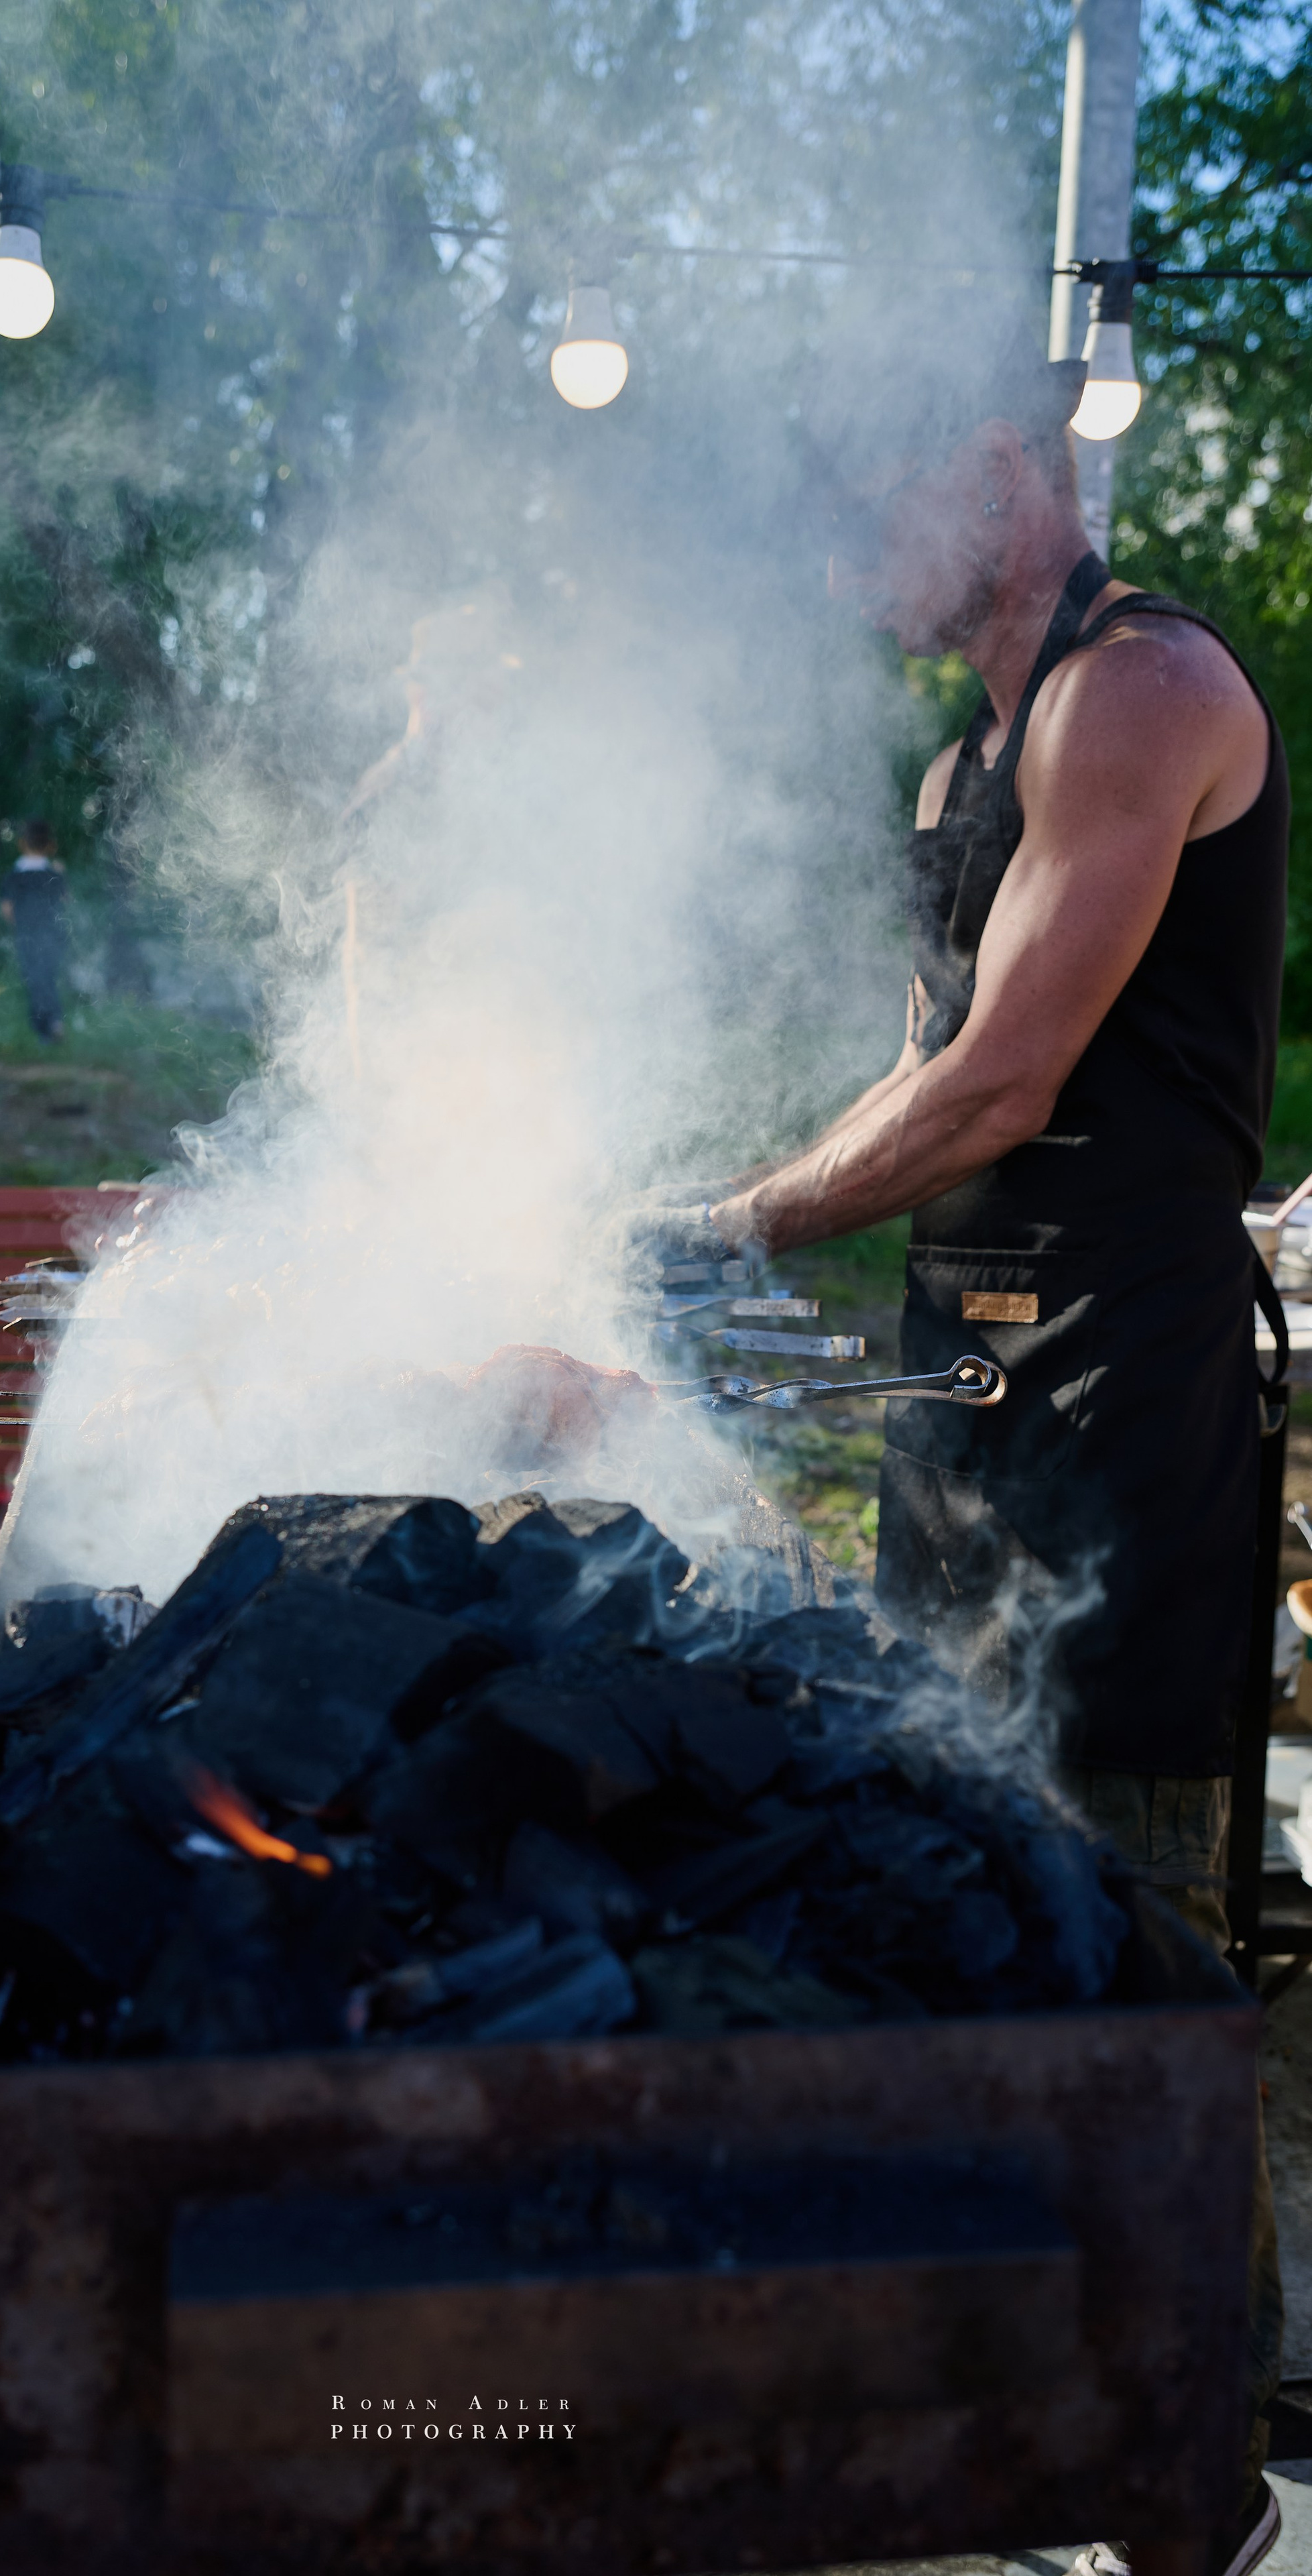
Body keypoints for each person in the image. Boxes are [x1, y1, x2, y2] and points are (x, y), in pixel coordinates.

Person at [686, 319, 1289, 2576]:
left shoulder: (1141, 696)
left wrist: (739, 1220)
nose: (842, 549)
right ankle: (1037, 2429)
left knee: (1133, 1933)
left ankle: (1197, 2500)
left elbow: (1004, 1088)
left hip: (1126, 1399)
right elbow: (904, 1083)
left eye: (862, 497)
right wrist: (719, 1216)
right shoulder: (963, 768)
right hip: (959, 1394)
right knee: (957, 1895)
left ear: (996, 469)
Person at [0, 819, 67, 1042]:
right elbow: (66, 902)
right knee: (47, 976)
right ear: (50, 845)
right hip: (52, 933)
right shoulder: (53, 873)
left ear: (21, 844)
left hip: (27, 934)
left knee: (34, 978)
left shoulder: (15, 874)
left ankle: (46, 1028)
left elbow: (7, 909)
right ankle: (53, 1022)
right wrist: (61, 874)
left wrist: (18, 926)